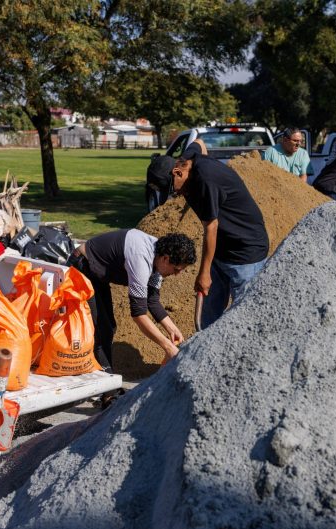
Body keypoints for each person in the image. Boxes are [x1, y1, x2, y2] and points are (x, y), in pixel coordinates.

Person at [168, 144, 269, 328]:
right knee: (209, 315)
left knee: (246, 317)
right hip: (222, 248)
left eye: (174, 189)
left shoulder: (206, 180)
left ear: (178, 172)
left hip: (246, 251)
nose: (177, 194)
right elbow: (199, 142)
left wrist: (204, 273)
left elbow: (211, 227)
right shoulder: (188, 159)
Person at [68, 230, 196, 371]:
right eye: (176, 269)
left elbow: (152, 300)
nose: (177, 274)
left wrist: (173, 329)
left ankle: (105, 379)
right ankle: (106, 384)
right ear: (166, 259)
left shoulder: (158, 258)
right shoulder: (141, 258)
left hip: (96, 272)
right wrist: (167, 346)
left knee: (108, 326)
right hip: (81, 265)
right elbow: (138, 314)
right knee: (101, 328)